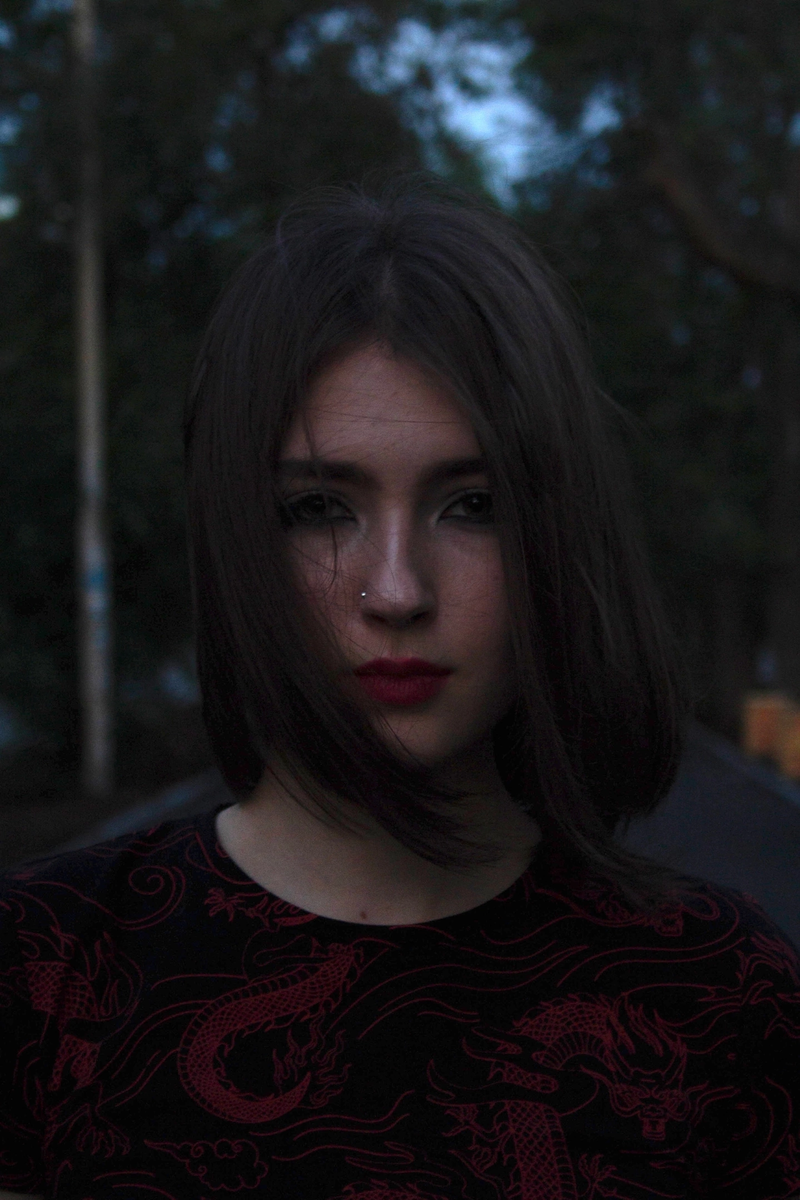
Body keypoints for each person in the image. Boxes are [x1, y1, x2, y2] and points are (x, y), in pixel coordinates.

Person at [1, 179, 799, 1200]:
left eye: (473, 504)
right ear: (236, 533)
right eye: (318, 508)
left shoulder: (726, 995)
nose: (396, 591)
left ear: (555, 534)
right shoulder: (41, 968)